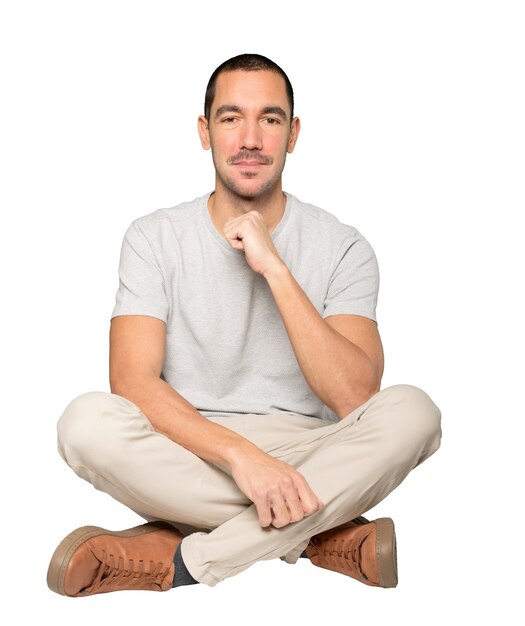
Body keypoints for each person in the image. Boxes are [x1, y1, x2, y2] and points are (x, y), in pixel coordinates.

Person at [47, 53, 442, 597]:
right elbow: (133, 383)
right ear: (205, 132)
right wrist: (241, 457)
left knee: (414, 412)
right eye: (232, 118)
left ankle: (186, 558)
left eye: (271, 119)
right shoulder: (152, 237)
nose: (251, 138)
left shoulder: (344, 246)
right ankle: (316, 536)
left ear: (293, 134)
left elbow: (356, 395)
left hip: (313, 449)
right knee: (84, 424)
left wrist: (274, 268)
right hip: (193, 449)